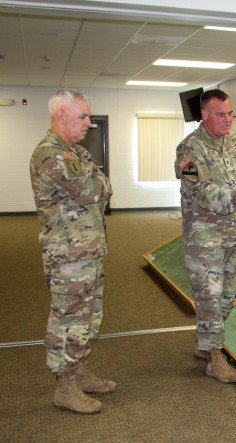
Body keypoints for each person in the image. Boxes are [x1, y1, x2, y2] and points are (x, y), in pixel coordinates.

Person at [175, 88, 236, 383]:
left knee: (227, 297)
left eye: (231, 114)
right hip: (205, 240)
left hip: (234, 234)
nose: (227, 120)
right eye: (221, 115)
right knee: (210, 296)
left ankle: (208, 343)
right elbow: (201, 192)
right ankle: (214, 356)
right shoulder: (188, 150)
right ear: (204, 115)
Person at [30, 88, 115, 414]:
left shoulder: (75, 153)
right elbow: (93, 190)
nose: (89, 124)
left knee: (88, 319)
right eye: (82, 117)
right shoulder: (50, 155)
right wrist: (98, 182)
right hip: (68, 258)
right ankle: (64, 387)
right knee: (68, 321)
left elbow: (105, 187)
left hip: (87, 252)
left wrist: (98, 182)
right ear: (60, 116)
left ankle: (78, 370)